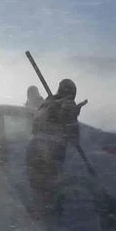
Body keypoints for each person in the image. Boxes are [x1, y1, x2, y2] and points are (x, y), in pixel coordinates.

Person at [26, 79, 81, 219]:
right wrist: (74, 115)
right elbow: (72, 131)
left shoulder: (46, 103)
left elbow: (37, 124)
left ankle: (38, 216)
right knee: (50, 186)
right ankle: (48, 218)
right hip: (51, 151)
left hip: (34, 149)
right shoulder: (66, 104)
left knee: (39, 186)